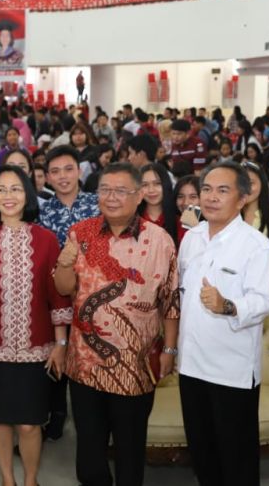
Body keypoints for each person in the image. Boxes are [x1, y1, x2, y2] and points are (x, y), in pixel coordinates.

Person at [54, 162, 180, 486]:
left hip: (135, 368)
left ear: (138, 196)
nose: (111, 197)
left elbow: (170, 300)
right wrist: (64, 264)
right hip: (85, 364)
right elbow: (64, 289)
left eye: (120, 190)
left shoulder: (160, 240)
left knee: (130, 451)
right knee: (90, 454)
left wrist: (169, 347)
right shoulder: (80, 233)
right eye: (104, 189)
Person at [0, 165, 71, 486]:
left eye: (16, 189)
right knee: (0, 422)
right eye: (1, 190)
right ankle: (8, 480)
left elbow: (58, 299)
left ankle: (30, 479)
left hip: (37, 351)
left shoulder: (47, 240)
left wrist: (61, 346)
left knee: (31, 425)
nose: (8, 196)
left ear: (28, 194)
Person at [177, 162, 269, 486]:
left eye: (223, 190)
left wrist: (227, 305)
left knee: (237, 461)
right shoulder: (191, 239)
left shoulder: (256, 246)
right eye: (206, 189)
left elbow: (264, 301)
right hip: (191, 366)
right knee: (202, 454)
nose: (211, 197)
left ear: (242, 198)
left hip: (231, 372)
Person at [36, 146, 99, 440]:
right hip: (57, 297)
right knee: (58, 354)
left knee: (91, 359)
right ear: (47, 177)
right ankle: (57, 414)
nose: (63, 177)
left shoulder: (98, 206)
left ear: (79, 171)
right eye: (56, 171)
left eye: (68, 169)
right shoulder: (43, 212)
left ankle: (93, 419)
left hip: (96, 298)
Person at [139, 163, 179, 247]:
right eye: (145, 185)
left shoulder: (180, 219)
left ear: (166, 184)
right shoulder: (133, 220)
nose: (151, 190)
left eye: (157, 183)